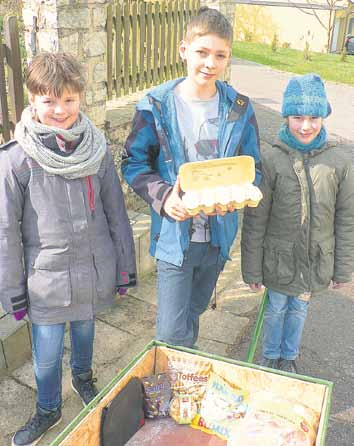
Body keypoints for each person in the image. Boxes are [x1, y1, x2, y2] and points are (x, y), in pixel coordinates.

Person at [0, 52, 136, 446]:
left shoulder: (96, 150)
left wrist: (124, 268)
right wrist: (13, 291)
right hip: (46, 283)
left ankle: (83, 379)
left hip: (91, 272)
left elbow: (116, 212)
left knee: (85, 332)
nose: (60, 111)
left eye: (70, 100)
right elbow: (5, 232)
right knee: (45, 356)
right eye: (49, 101)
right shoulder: (17, 161)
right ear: (33, 100)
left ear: (81, 98)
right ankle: (48, 408)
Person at [122, 7, 261, 348]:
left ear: (228, 59)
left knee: (194, 312)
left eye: (220, 55)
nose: (209, 63)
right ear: (184, 50)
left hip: (217, 237)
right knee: (170, 333)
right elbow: (134, 163)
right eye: (202, 52)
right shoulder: (155, 106)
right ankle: (172, 379)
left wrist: (242, 191)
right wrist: (164, 196)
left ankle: (187, 370)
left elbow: (253, 166)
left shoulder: (239, 108)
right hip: (175, 238)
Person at [241, 73, 354, 374]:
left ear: (324, 117)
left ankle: (288, 356)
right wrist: (252, 268)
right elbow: (256, 219)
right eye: (298, 117)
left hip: (313, 261)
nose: (306, 126)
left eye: (314, 117)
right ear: (286, 116)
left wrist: (342, 268)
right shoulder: (271, 159)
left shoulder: (339, 162)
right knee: (276, 308)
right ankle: (270, 355)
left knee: (299, 309)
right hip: (278, 262)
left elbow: (346, 220)